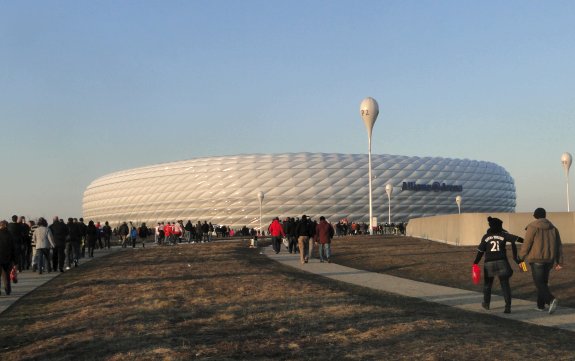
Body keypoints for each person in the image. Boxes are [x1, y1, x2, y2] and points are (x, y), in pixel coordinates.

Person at [518, 207, 564, 314]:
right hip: (549, 260)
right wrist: (559, 261)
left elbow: (527, 243)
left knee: (539, 283)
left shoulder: (532, 226)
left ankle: (551, 300)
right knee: (543, 283)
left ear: (535, 215)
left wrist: (521, 257)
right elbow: (559, 246)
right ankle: (540, 306)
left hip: (536, 259)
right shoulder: (553, 228)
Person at [473, 217, 522, 314]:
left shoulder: (486, 237)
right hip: (502, 262)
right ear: (499, 226)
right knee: (505, 285)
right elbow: (517, 239)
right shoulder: (503, 235)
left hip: (489, 263)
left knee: (488, 285)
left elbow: (480, 252)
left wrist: (475, 263)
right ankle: (507, 307)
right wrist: (528, 241)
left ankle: (486, 304)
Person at [0, 220, 15, 296]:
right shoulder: (10, 234)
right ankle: (8, 290)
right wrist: (14, 259)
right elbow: (13, 248)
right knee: (6, 275)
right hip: (7, 258)